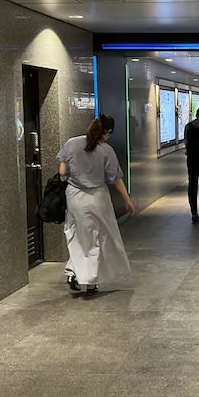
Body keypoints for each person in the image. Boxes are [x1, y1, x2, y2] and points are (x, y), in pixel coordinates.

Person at [59, 114, 135, 295]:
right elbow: (115, 179)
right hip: (98, 199)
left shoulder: (71, 143)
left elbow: (62, 171)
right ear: (107, 133)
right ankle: (90, 280)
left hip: (75, 197)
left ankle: (73, 272)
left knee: (77, 236)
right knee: (97, 237)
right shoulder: (107, 150)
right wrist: (127, 200)